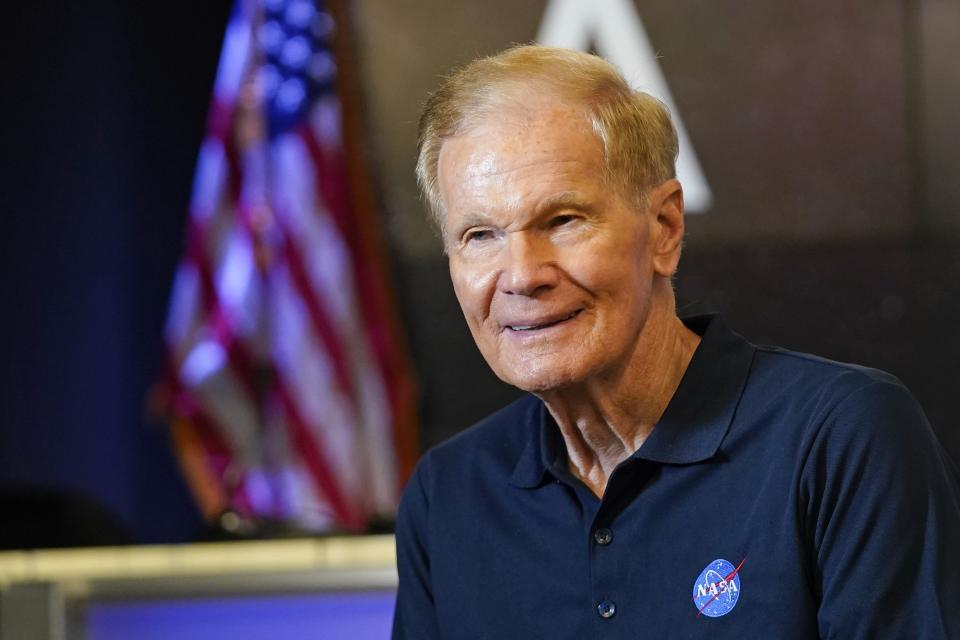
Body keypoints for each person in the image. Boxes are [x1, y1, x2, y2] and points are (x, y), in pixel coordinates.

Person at [392, 45, 960, 639]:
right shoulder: (447, 495)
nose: (521, 274)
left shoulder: (841, 436)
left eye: (563, 220)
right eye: (480, 235)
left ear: (664, 229)